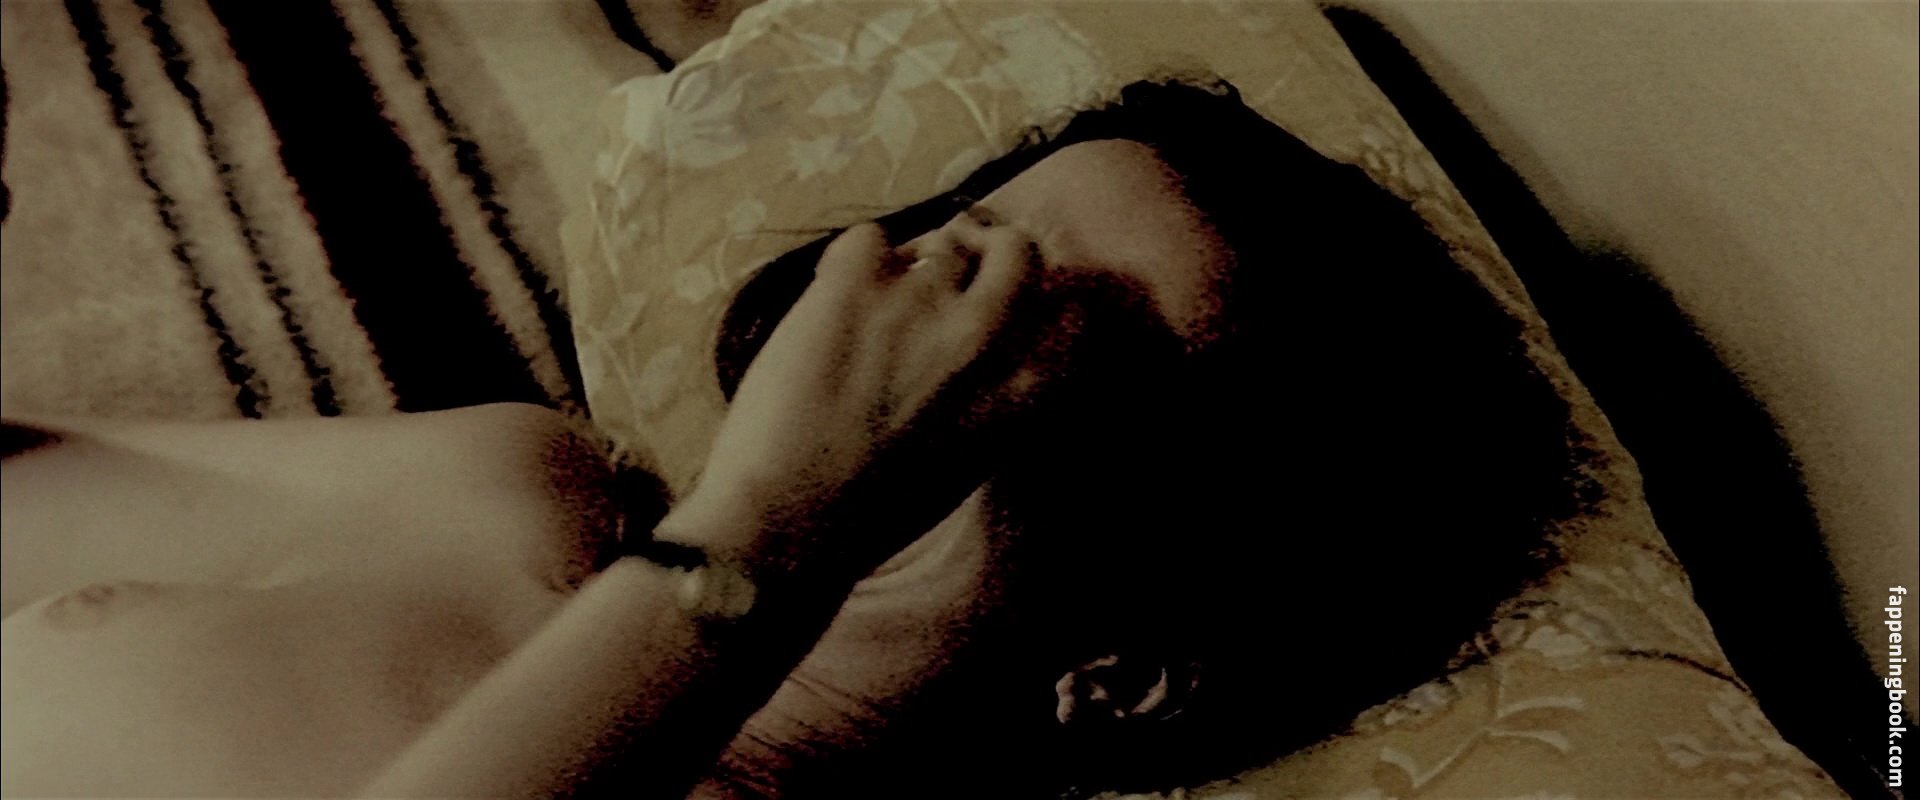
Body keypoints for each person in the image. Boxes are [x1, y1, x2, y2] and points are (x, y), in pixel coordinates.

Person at [0, 80, 1587, 799]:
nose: (926, 293)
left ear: (1122, 675)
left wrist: (775, 526)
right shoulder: (507, 484)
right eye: (971, 230)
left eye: (1047, 324)